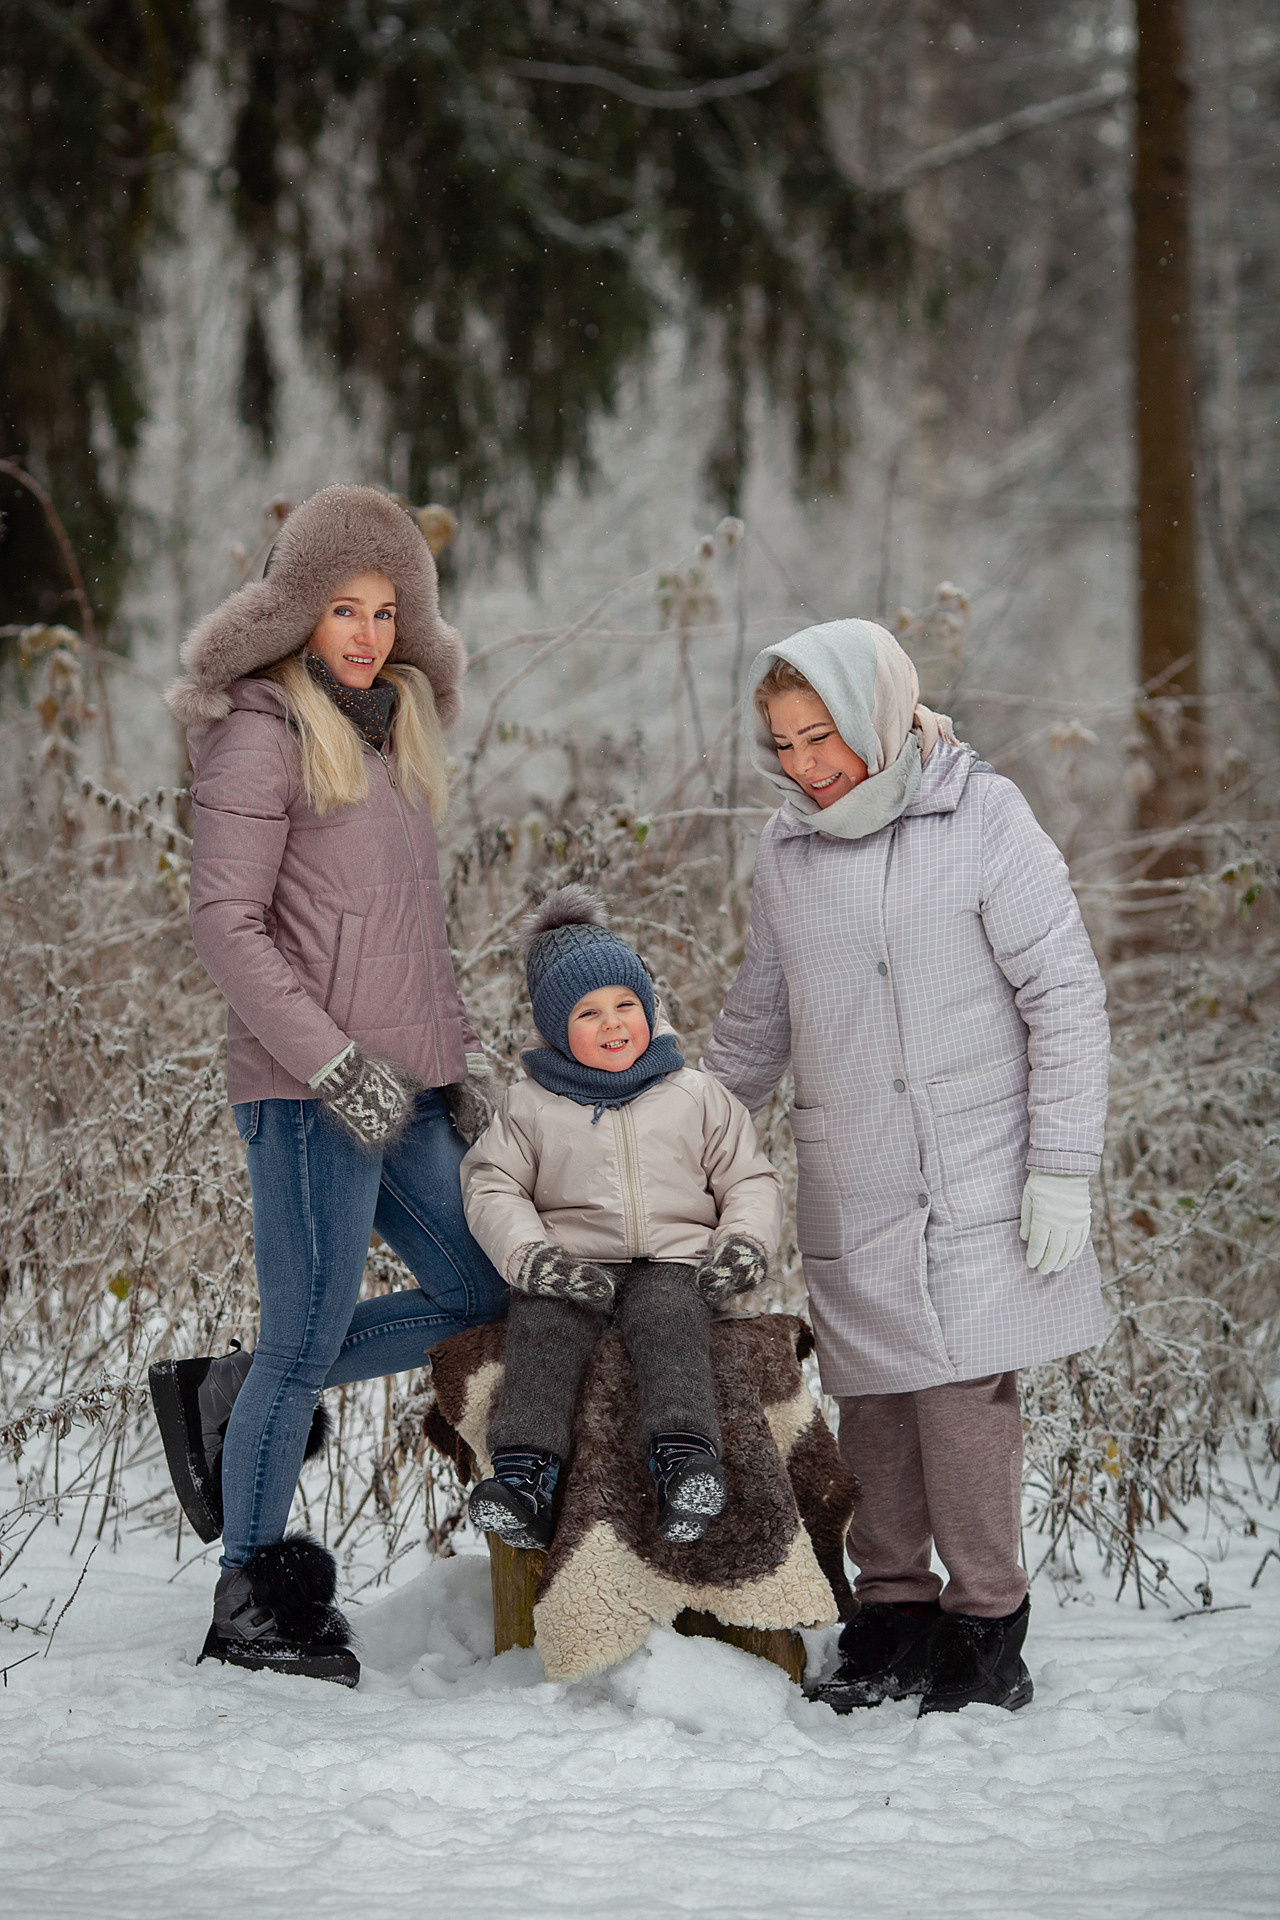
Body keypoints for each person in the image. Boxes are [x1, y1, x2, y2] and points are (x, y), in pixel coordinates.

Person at [701, 619, 1109, 1716]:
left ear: (876, 715)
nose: (804, 764)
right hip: (856, 1171)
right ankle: (891, 1617)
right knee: (873, 1403)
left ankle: (985, 1626)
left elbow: (1061, 993)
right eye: (783, 743)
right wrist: (673, 1139)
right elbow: (756, 1021)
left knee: (964, 1401)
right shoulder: (787, 851)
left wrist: (1061, 1163)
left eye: (821, 734)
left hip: (979, 1169)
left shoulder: (981, 815)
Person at [151, 484, 506, 1686]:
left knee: (478, 1287)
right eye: (341, 607)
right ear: (296, 612)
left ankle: (234, 1392)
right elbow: (225, 922)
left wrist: (444, 1075)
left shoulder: (389, 730)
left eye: (385, 608)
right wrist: (332, 1062)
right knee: (305, 1343)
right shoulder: (261, 730)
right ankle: (251, 1593)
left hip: (404, 1086)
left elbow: (409, 935)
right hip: (310, 1096)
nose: (364, 630)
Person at [459, 886, 783, 1548]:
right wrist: (532, 1256)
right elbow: (492, 1186)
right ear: (554, 1029)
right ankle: (525, 1478)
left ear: (650, 1007)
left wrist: (742, 1242)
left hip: (673, 1261)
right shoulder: (530, 1105)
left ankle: (685, 1463)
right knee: (543, 1330)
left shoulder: (695, 1095)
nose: (613, 1024)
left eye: (626, 1005)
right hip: (572, 1263)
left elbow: (747, 1177)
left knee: (670, 1325)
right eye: (589, 1012)